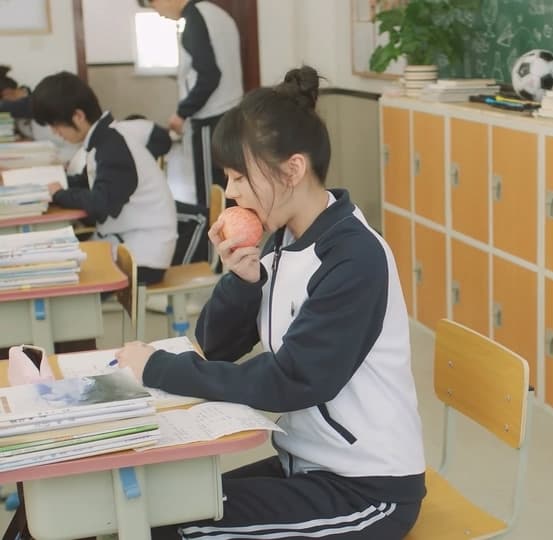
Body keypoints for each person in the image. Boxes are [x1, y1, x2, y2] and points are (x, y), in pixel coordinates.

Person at [115, 66, 426, 539]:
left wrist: (158, 368)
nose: (231, 192)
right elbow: (213, 346)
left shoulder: (353, 258)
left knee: (166, 529)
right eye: (228, 177)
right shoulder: (283, 239)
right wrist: (243, 281)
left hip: (365, 490)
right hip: (304, 465)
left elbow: (291, 380)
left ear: (293, 169)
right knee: (151, 508)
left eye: (239, 176)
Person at [30, 72, 178, 285]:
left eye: (56, 125)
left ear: (78, 116)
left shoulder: (113, 146)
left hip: (143, 257)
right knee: (53, 261)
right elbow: (89, 182)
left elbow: (100, 204)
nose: (55, 132)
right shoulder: (105, 139)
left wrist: (60, 194)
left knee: (57, 278)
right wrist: (52, 187)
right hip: (127, 241)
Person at [139, 0, 243, 209]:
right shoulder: (218, 14)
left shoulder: (194, 18)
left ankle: (216, 232)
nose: (159, 14)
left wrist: (182, 112)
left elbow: (209, 75)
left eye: (154, 6)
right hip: (232, 112)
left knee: (213, 196)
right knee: (233, 189)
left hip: (210, 120)